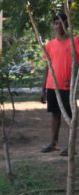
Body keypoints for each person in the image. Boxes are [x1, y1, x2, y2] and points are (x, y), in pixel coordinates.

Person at [40, 12, 78, 156]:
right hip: (52, 85)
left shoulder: (75, 41)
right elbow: (47, 66)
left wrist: (75, 81)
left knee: (71, 117)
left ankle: (71, 146)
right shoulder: (50, 44)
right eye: (56, 23)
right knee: (55, 115)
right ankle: (54, 143)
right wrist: (43, 88)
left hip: (69, 86)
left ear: (67, 25)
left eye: (61, 23)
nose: (58, 26)